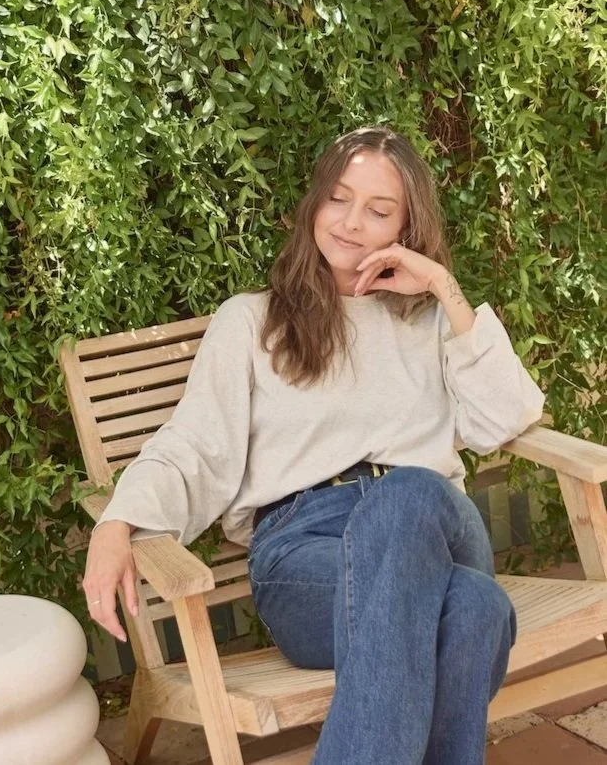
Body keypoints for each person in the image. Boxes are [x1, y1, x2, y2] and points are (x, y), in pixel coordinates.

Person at [83, 125, 545, 764]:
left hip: (432, 525)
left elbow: (508, 419)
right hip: (305, 552)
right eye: (339, 198)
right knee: (474, 609)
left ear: (407, 228)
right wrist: (118, 521)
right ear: (314, 204)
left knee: (410, 492)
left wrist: (445, 288)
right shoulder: (252, 321)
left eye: (379, 211)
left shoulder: (433, 319)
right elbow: (195, 445)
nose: (351, 222)